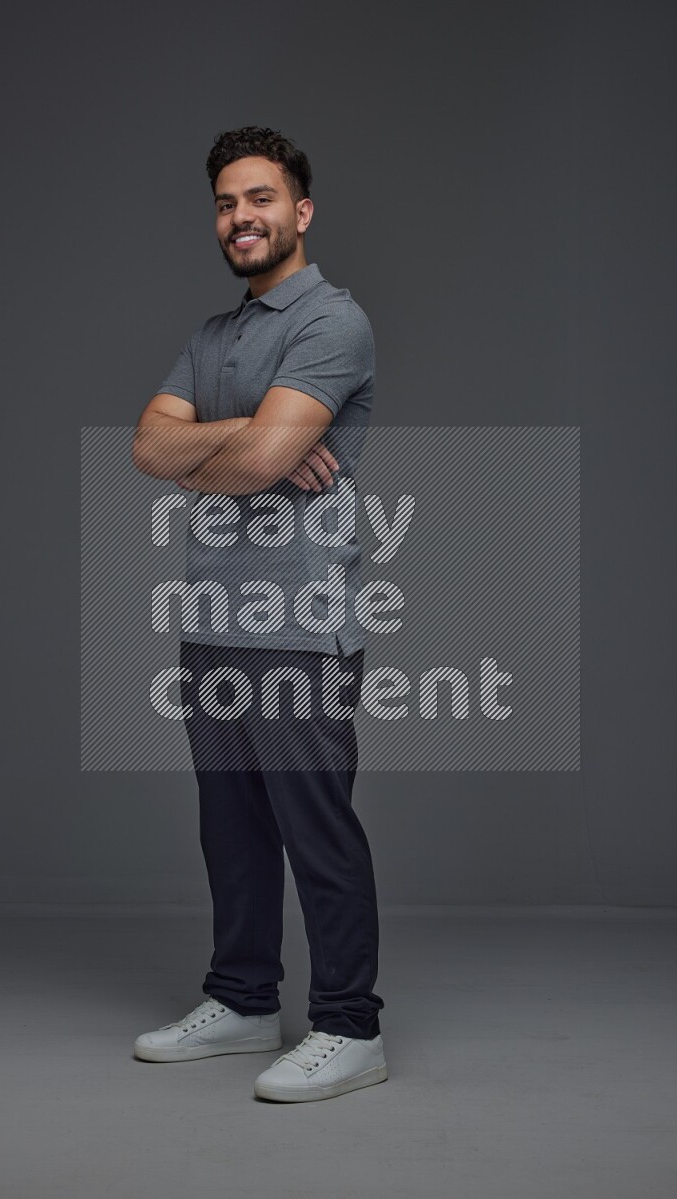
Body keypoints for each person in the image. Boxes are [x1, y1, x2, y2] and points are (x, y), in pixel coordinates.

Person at [131, 126, 386, 1103]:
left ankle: (348, 1025)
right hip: (213, 614)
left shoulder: (332, 323)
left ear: (300, 210)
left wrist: (220, 441)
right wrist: (249, 429)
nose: (241, 216)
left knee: (313, 827)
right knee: (229, 829)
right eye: (227, 202)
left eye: (260, 199)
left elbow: (236, 464)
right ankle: (241, 1000)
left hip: (297, 624)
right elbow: (146, 449)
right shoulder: (211, 336)